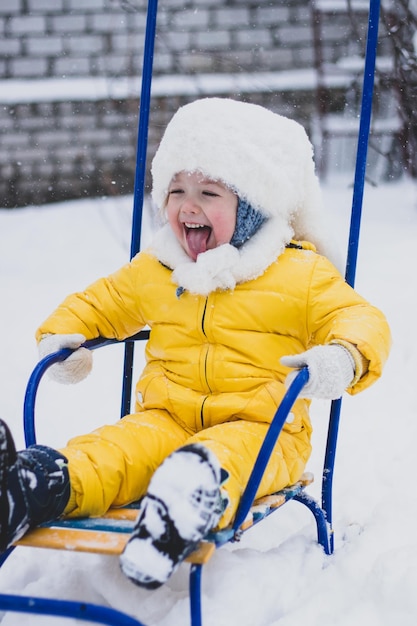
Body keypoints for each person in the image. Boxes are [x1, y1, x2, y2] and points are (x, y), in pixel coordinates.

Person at [0, 98, 391, 589]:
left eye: (209, 192)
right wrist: (63, 335)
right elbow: (104, 301)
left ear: (250, 207)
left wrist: (345, 354)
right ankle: (33, 486)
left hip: (263, 430)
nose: (188, 205)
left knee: (220, 460)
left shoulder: (299, 272)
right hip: (165, 419)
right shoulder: (159, 268)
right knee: (113, 452)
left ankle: (183, 506)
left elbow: (360, 317)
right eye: (176, 190)